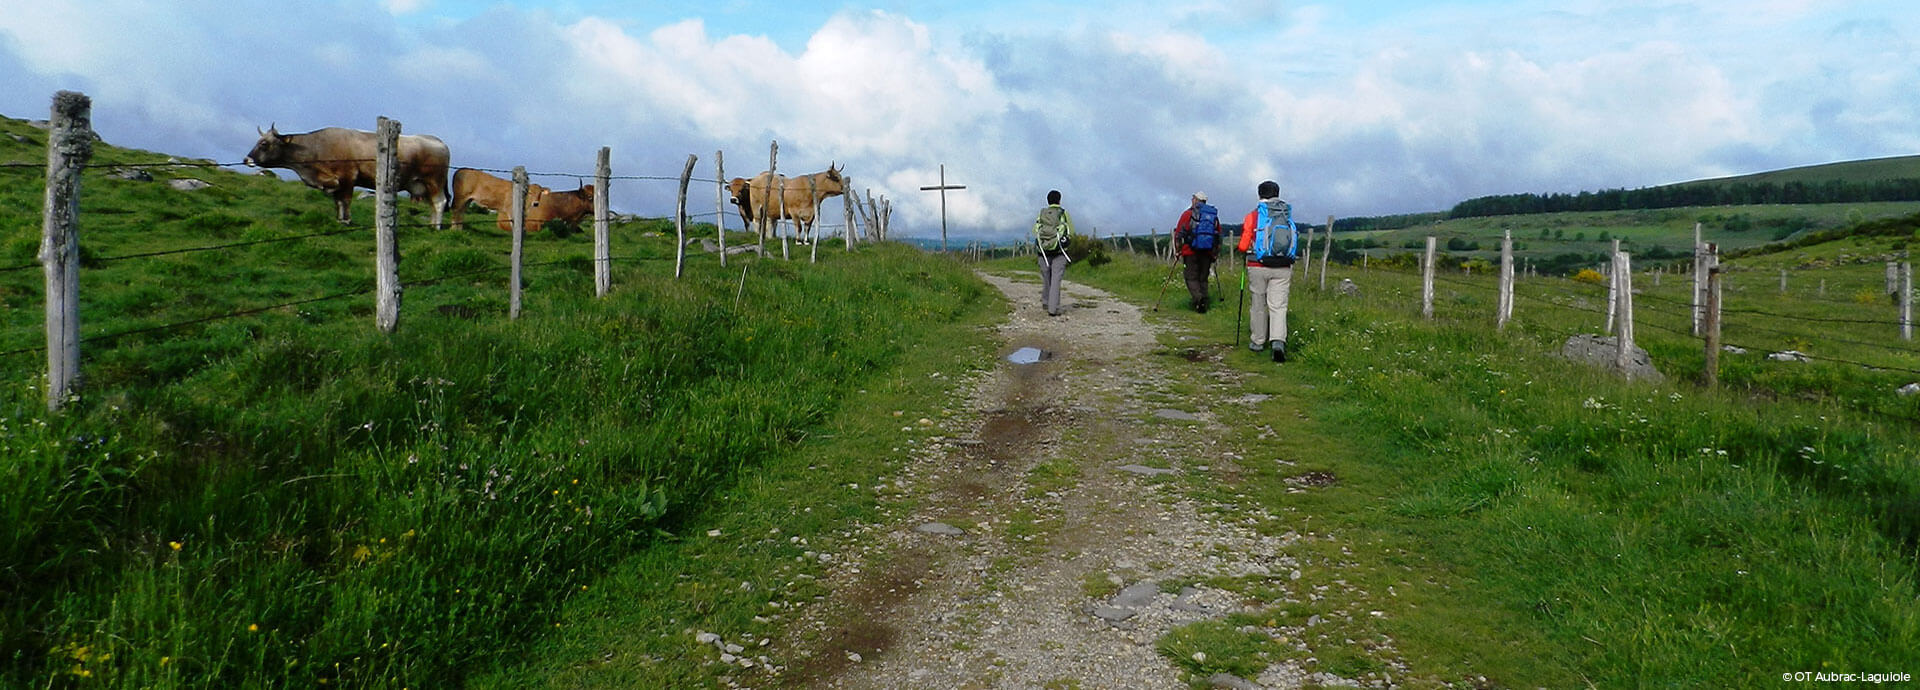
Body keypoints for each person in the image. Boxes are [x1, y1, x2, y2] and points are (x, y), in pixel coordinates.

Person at [1237, 180, 1297, 363]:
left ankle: (1258, 341)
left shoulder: (1254, 216)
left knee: (1258, 303)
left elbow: (1243, 245)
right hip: (1283, 266)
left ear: (1259, 195)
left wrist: (1244, 249)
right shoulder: (1286, 214)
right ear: (1277, 193)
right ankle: (1278, 342)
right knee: (1278, 306)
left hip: (1258, 266)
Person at [1172, 191, 1220, 313]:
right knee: (1203, 278)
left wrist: (1178, 251)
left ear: (1195, 200)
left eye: (1193, 198)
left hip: (1190, 251)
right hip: (1207, 252)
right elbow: (1218, 236)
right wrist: (1215, 253)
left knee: (1191, 278)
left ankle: (1199, 300)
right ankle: (1203, 302)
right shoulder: (1212, 215)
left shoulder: (1187, 214)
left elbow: (1178, 234)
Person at [1032, 189, 1075, 317]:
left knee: (1046, 278)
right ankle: (1053, 308)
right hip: (1059, 251)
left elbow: (1035, 230)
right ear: (1059, 200)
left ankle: (1045, 302)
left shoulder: (1042, 213)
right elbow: (1071, 231)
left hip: (1043, 252)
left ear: (1048, 201)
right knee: (1056, 279)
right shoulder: (1063, 213)